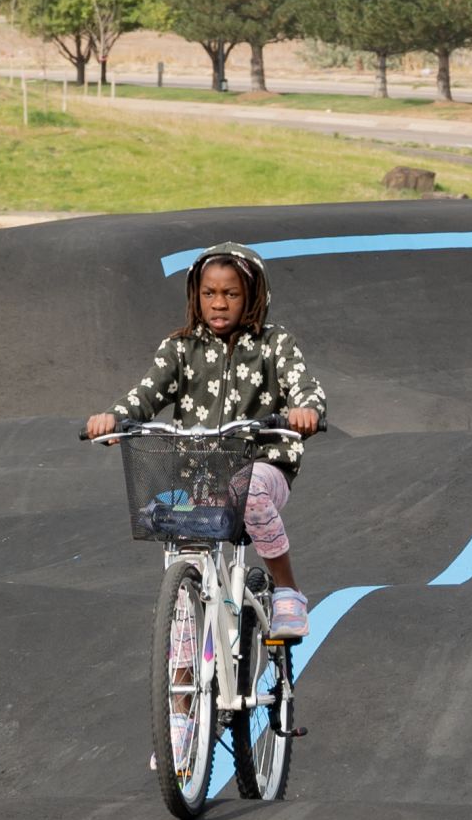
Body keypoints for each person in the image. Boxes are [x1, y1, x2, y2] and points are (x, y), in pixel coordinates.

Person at [84, 243, 327, 638]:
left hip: (261, 464)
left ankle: (287, 590)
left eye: (230, 294)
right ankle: (179, 672)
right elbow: (145, 394)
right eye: (209, 293)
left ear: (252, 297)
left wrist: (307, 412)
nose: (218, 304)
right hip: (198, 475)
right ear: (195, 295)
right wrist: (115, 418)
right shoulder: (180, 348)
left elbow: (305, 388)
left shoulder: (274, 345)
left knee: (247, 493)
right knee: (161, 513)